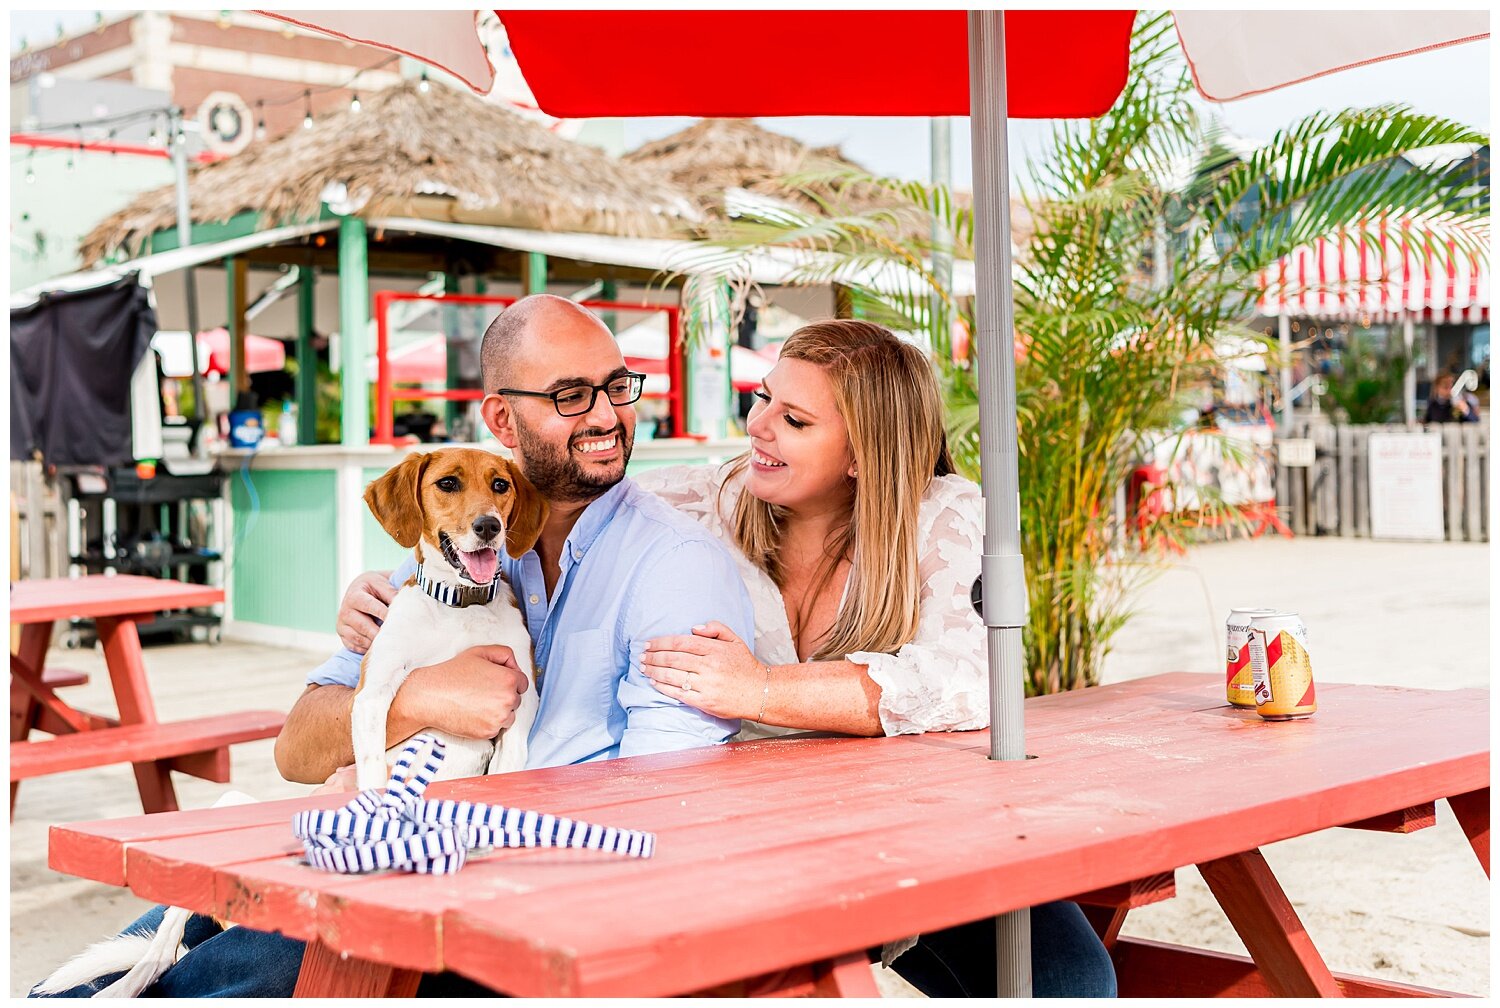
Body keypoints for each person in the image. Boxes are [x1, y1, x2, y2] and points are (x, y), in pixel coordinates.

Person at [32, 294, 755, 998]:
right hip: (388, 852)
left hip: (509, 897)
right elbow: (298, 751)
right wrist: (415, 700)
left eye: (617, 386)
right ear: (500, 417)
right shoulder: (439, 552)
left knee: (237, 952)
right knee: (149, 942)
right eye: (570, 394)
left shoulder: (675, 567)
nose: (606, 415)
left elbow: (668, 802)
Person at [617, 319, 1114, 997]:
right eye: (761, 398)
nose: (757, 425)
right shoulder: (701, 500)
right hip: (734, 839)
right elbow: (525, 512)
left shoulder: (942, 513)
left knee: (1068, 980)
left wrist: (760, 689)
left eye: (793, 419)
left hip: (907, 828)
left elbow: (970, 680)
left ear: (862, 454)